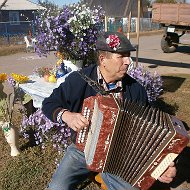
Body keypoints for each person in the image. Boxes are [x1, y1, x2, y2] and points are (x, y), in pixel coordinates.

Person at [42, 31, 176, 190]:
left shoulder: (136, 90)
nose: (128, 62)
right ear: (103, 60)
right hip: (82, 150)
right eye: (121, 56)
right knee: (57, 187)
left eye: (128, 56)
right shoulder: (79, 80)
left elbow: (149, 133)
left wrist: (162, 165)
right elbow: (49, 103)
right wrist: (67, 116)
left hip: (120, 155)